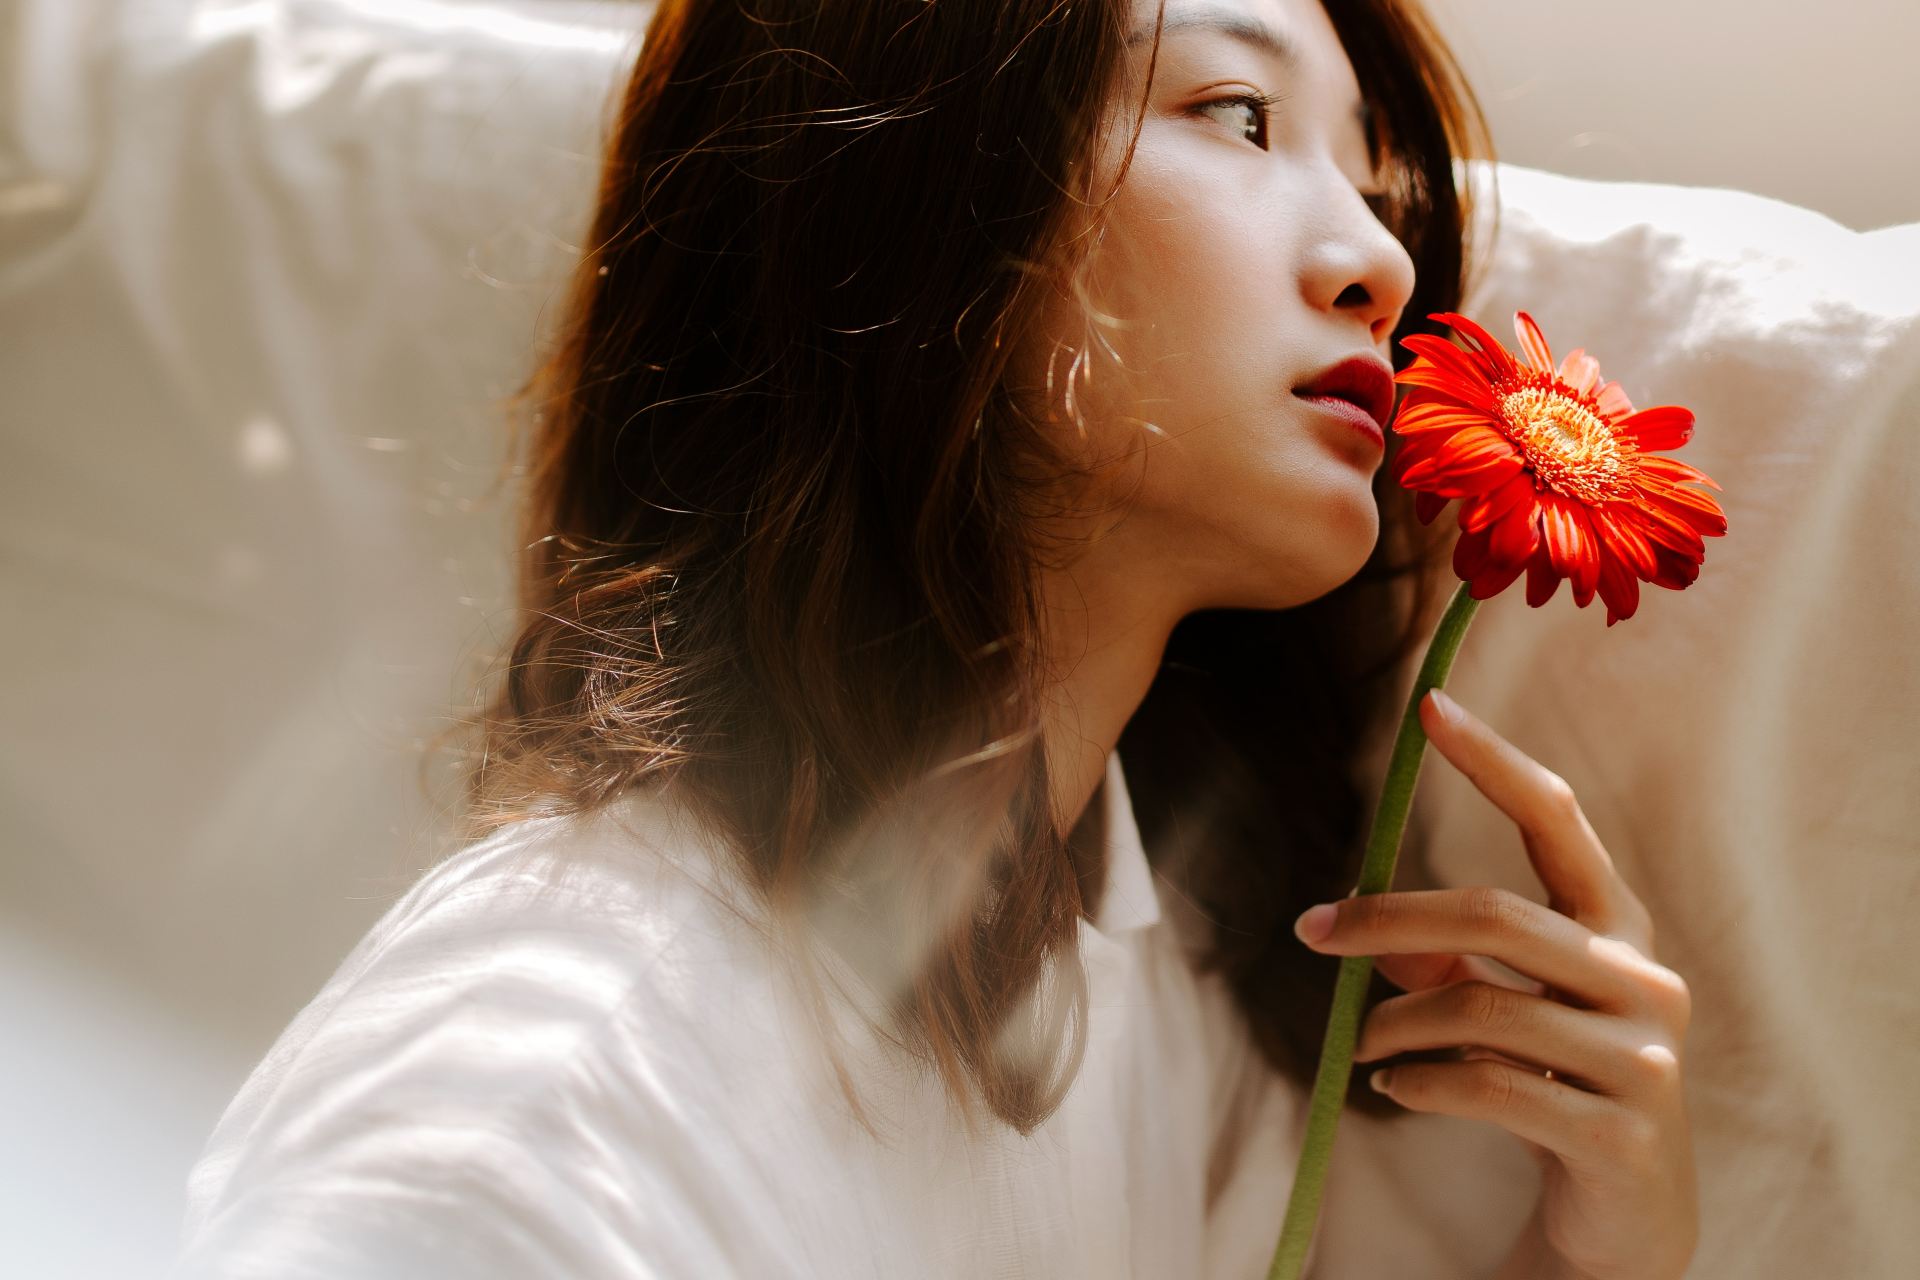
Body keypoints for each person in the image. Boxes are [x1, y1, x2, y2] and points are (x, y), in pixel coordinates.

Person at [172, 1, 1698, 1276]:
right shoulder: (529, 1111)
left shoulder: (1147, 1003)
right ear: (905, 191)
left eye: (1374, 180)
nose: (1385, 265)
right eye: (1240, 116)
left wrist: (1583, 1258)